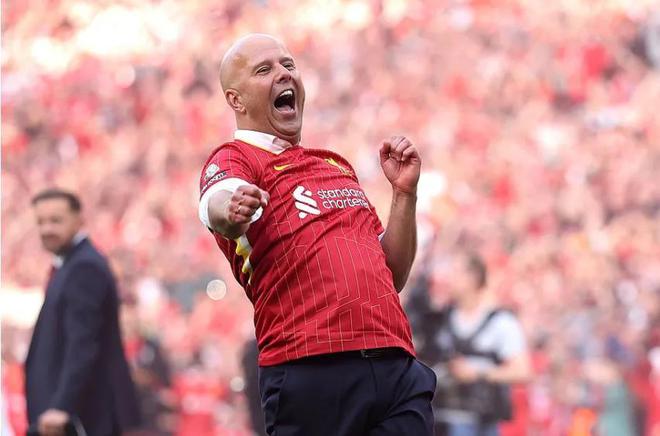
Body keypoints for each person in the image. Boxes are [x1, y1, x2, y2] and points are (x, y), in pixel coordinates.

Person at [197, 34, 436, 436]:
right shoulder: (235, 158)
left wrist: (403, 195)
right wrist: (231, 209)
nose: (283, 74)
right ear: (236, 100)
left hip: (393, 362)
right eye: (264, 69)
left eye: (288, 65)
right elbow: (215, 201)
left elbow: (391, 273)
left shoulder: (334, 165)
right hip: (312, 365)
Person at [25, 189, 140, 436]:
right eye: (41, 222)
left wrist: (62, 406)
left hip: (81, 417)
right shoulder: (70, 265)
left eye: (56, 220)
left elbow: (83, 343)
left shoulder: (84, 267)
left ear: (79, 219)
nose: (46, 229)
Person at [410, 253, 531, 436]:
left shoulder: (500, 322)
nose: (450, 279)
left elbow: (522, 371)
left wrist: (477, 373)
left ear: (473, 277)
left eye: (456, 272)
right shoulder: (441, 319)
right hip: (440, 416)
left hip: (480, 423)